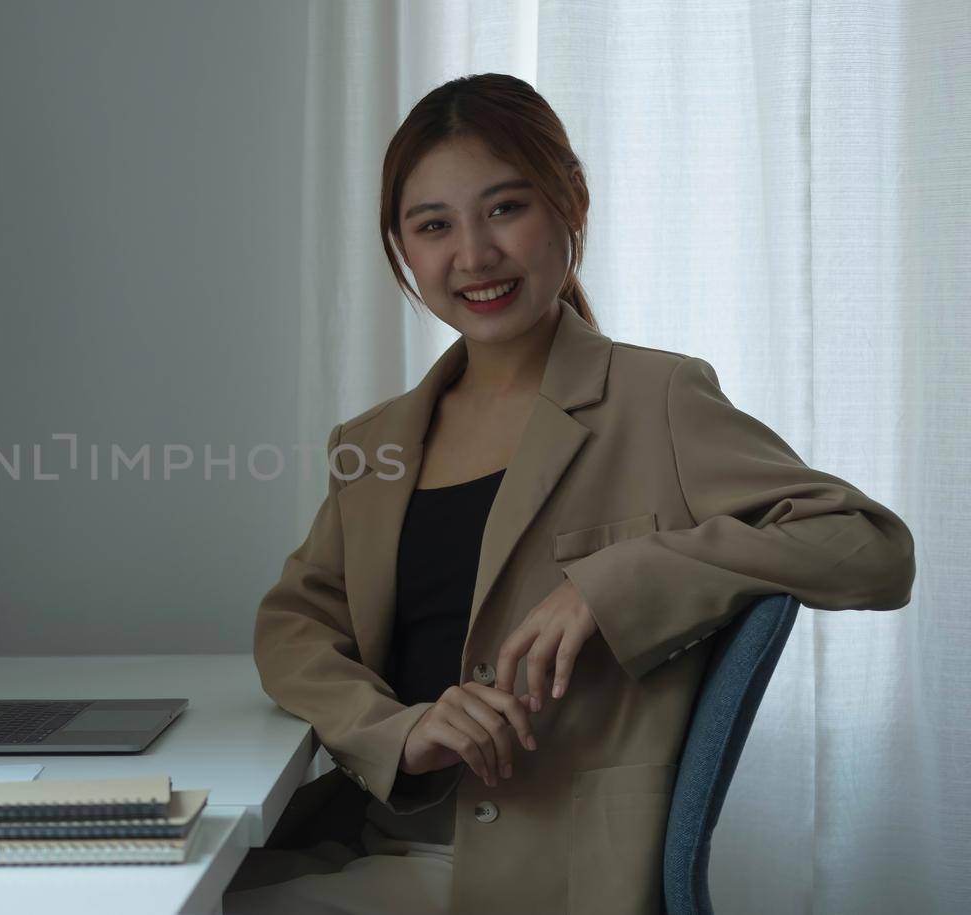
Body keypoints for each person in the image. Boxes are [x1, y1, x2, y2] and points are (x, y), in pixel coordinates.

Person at [222, 73, 915, 915]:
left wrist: (620, 578)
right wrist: (400, 730)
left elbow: (873, 547)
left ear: (571, 201)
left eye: (505, 209)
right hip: (372, 836)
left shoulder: (657, 401)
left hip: (534, 873)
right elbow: (294, 624)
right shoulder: (374, 444)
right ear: (404, 247)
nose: (473, 255)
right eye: (433, 225)